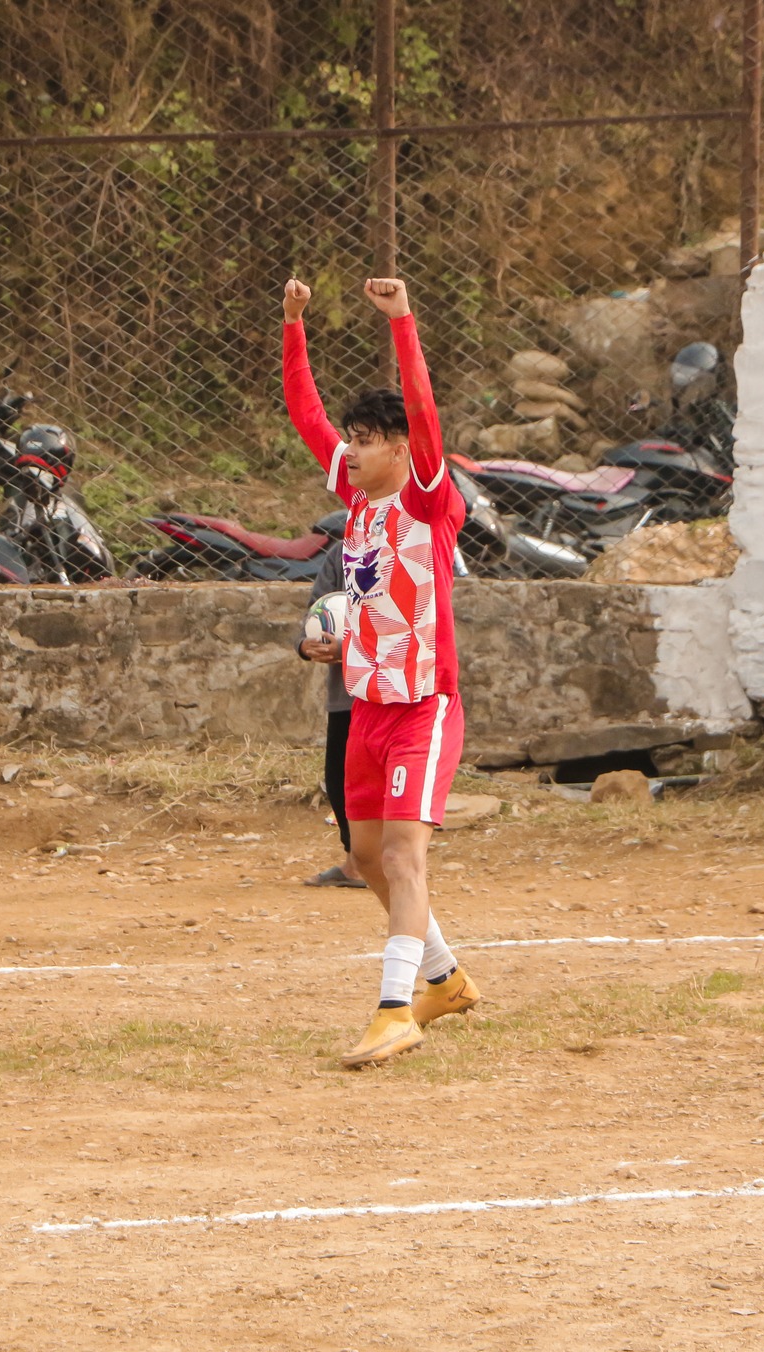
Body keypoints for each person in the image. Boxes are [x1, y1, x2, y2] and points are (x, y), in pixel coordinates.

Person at [283, 274, 480, 1068]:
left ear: (401, 449)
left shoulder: (429, 498)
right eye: (352, 438)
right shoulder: (357, 500)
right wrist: (293, 325)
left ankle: (395, 1010)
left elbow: (425, 413)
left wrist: (403, 320)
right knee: (366, 857)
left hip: (424, 708)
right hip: (366, 705)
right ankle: (445, 977)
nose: (350, 449)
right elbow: (305, 414)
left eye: (366, 439)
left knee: (402, 856)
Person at [295, 542, 366, 889]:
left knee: (377, 781)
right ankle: (356, 862)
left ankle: (387, 861)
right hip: (344, 696)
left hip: (388, 692)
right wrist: (305, 644)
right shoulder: (341, 554)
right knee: (340, 780)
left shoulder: (406, 550)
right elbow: (318, 612)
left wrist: (350, 647)